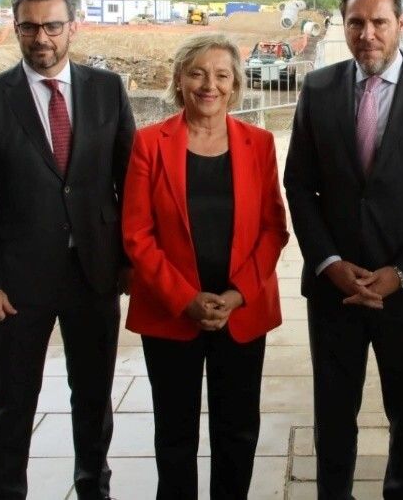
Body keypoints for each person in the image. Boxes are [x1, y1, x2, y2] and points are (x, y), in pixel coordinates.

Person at [284, 0, 403, 499]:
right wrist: (328, 261)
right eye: (356, 22)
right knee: (334, 415)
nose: (367, 33)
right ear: (343, 26)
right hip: (334, 289)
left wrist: (402, 273)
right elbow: (299, 183)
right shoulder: (318, 90)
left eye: (379, 22)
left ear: (400, 24)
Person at [0, 0, 136, 500]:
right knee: (12, 400)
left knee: (94, 395)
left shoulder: (108, 90)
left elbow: (130, 184)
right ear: (15, 28)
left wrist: (129, 263)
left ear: (73, 27)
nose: (42, 38)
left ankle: (92, 485)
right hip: (16, 283)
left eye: (53, 26)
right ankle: (7, 491)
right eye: (30, 27)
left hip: (95, 274)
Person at [123, 33, 289, 499]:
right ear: (179, 80)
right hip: (171, 312)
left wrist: (236, 295)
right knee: (174, 435)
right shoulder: (149, 143)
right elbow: (137, 234)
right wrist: (185, 299)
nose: (208, 85)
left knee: (237, 432)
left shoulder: (258, 143)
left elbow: (273, 230)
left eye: (220, 75)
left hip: (241, 312)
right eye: (197, 73)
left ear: (235, 85)